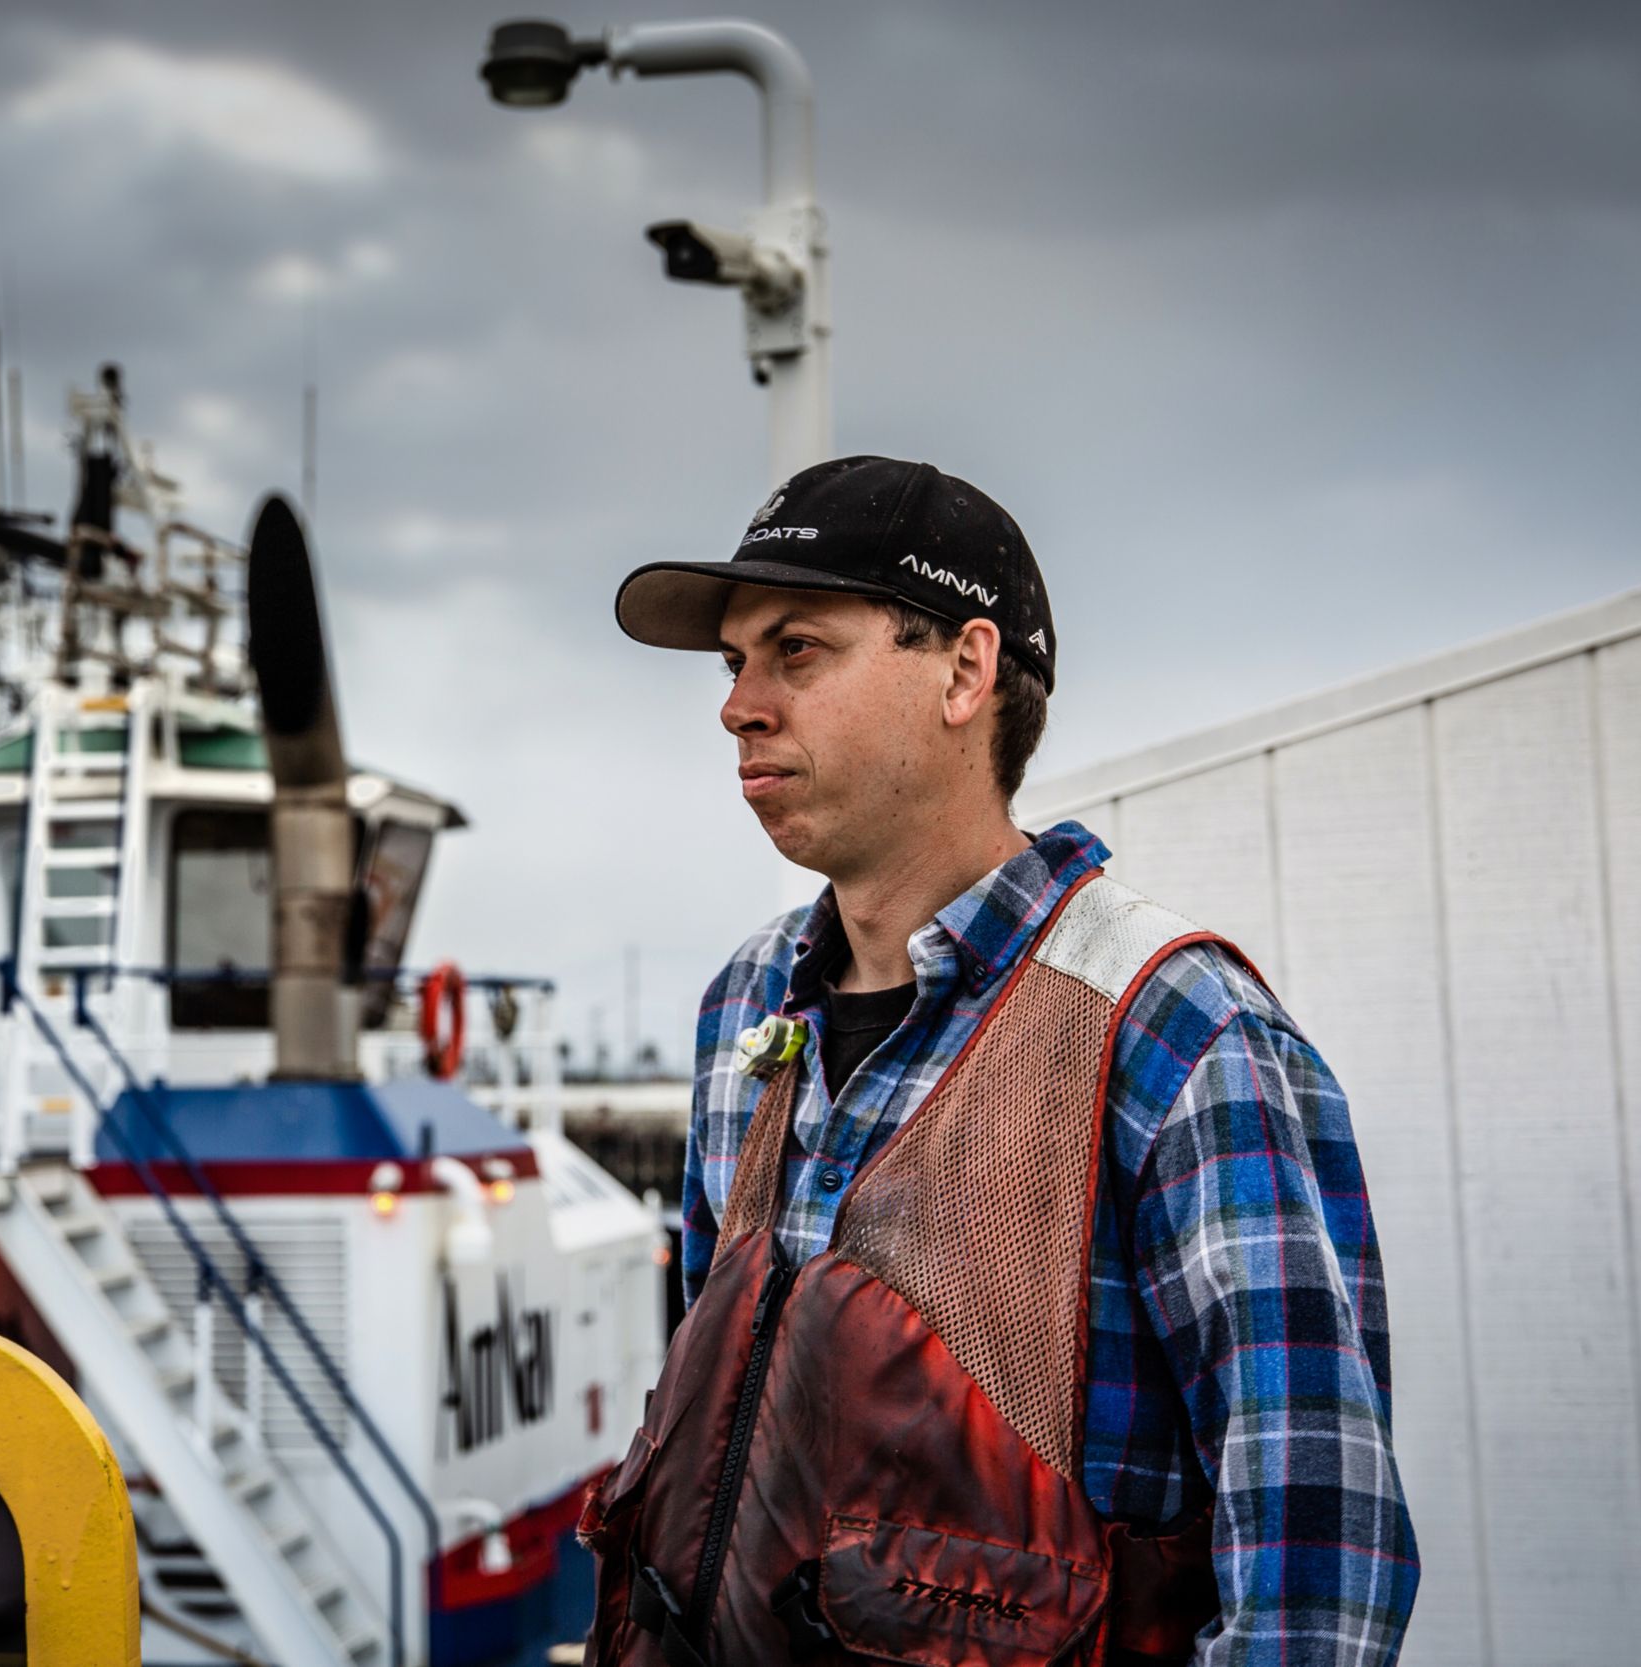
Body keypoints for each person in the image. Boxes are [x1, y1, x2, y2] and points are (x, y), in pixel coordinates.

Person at [577, 456, 1417, 1666]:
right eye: (732, 661)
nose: (738, 704)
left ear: (966, 670)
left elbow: (1315, 1558)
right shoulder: (742, 1011)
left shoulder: (1174, 1029)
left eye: (796, 649)